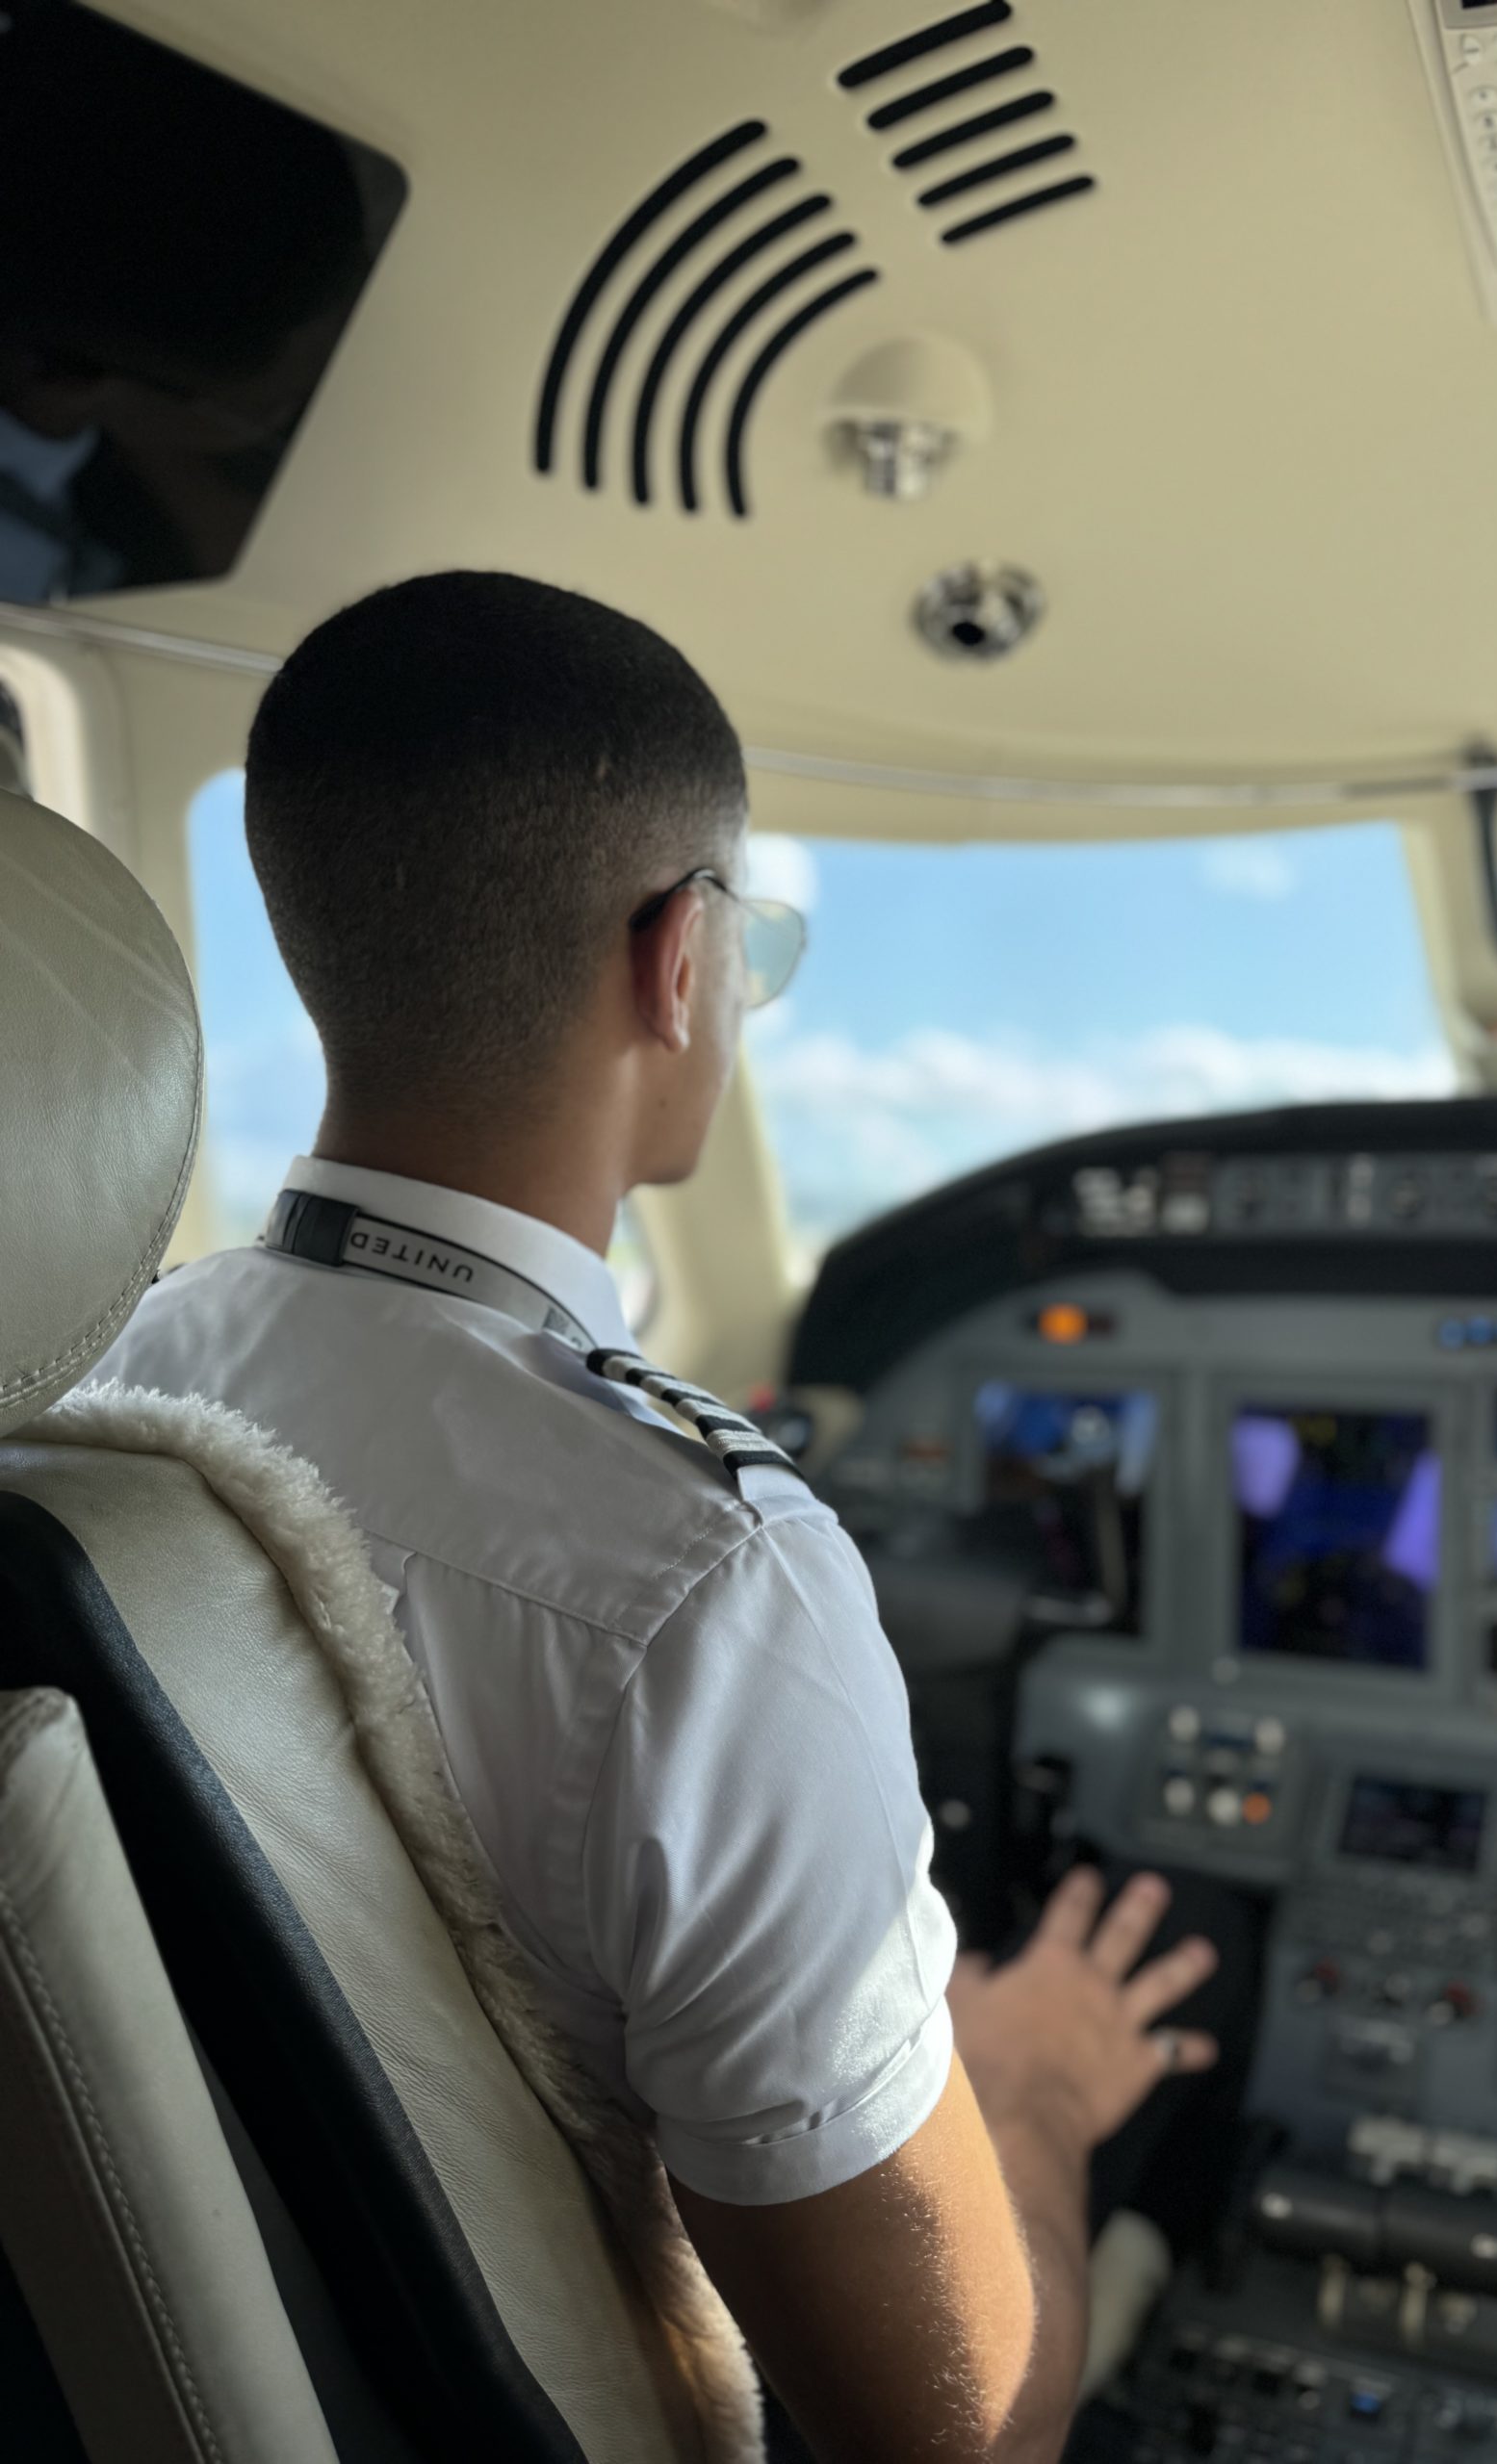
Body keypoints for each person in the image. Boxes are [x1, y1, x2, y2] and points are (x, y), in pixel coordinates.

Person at [96, 571, 1223, 2463]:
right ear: (678, 958)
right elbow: (957, 2427)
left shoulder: (112, 1382)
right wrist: (1027, 2081)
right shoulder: (703, 1583)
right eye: (753, 950)